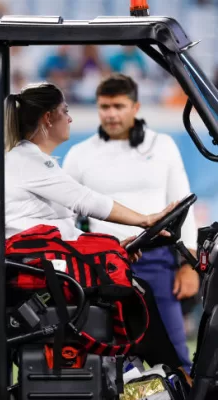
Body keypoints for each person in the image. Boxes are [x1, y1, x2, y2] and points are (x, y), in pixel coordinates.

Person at [62, 74, 199, 372]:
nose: (111, 114)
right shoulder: (80, 154)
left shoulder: (162, 146)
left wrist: (189, 265)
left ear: (135, 107)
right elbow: (63, 216)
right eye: (104, 106)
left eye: (119, 106)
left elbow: (183, 203)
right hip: (104, 267)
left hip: (157, 261)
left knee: (175, 354)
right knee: (110, 355)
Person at [3, 82, 175, 244]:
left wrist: (111, 246)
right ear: (48, 117)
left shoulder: (33, 160)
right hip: (40, 267)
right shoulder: (28, 162)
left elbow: (67, 230)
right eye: (65, 111)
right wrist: (144, 219)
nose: (69, 119)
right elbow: (85, 200)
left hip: (50, 260)